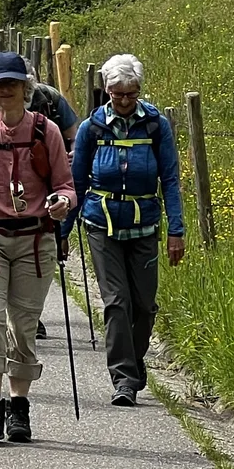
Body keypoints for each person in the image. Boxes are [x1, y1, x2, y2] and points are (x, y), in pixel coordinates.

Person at [0, 52, 78, 444]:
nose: (6, 90)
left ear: (26, 87)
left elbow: (66, 185)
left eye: (13, 83)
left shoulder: (45, 131)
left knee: (23, 326)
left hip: (35, 241)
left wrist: (62, 204)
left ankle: (19, 406)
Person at [71, 53, 184, 407]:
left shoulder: (155, 126)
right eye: (117, 94)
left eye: (130, 94)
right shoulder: (92, 128)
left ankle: (133, 363)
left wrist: (176, 230)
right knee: (117, 303)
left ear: (139, 91)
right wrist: (62, 231)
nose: (123, 101)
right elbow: (76, 183)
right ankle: (124, 379)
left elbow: (170, 179)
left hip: (144, 224)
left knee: (144, 306)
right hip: (101, 224)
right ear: (106, 90)